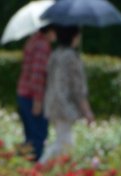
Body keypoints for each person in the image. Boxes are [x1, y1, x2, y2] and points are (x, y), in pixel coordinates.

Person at [39, 24, 94, 164]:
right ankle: (40, 166)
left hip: (52, 103)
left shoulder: (55, 54)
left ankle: (54, 168)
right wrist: (87, 112)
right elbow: (78, 89)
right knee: (64, 142)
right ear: (74, 37)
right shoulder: (71, 57)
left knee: (64, 140)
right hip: (64, 105)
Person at [16, 24, 55, 162]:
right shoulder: (42, 46)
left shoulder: (32, 41)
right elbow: (37, 75)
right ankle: (32, 170)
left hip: (24, 94)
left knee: (29, 137)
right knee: (38, 137)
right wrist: (38, 100)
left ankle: (18, 167)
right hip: (33, 97)